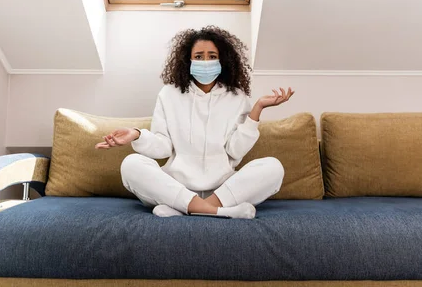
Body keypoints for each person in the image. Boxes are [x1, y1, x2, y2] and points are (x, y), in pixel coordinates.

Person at [96, 26, 294, 219]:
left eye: (212, 56)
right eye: (199, 56)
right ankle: (215, 212)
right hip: (176, 187)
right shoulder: (169, 94)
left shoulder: (238, 98)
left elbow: (235, 151)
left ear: (222, 60)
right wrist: (137, 135)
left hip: (222, 189)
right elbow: (163, 148)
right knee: (131, 164)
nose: (205, 61)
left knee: (273, 167)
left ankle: (188, 209)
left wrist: (257, 109)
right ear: (188, 60)